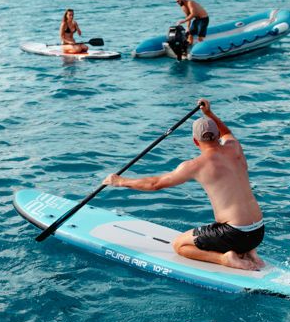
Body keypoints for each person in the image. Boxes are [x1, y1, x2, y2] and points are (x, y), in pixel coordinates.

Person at [103, 98, 265, 271]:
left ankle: (226, 259)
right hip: (258, 231)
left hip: (234, 233)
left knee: (180, 245)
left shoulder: (195, 165)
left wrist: (120, 181)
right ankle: (247, 251)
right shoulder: (234, 147)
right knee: (232, 228)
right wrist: (209, 114)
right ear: (218, 135)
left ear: (195, 141)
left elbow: (155, 184)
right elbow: (227, 133)